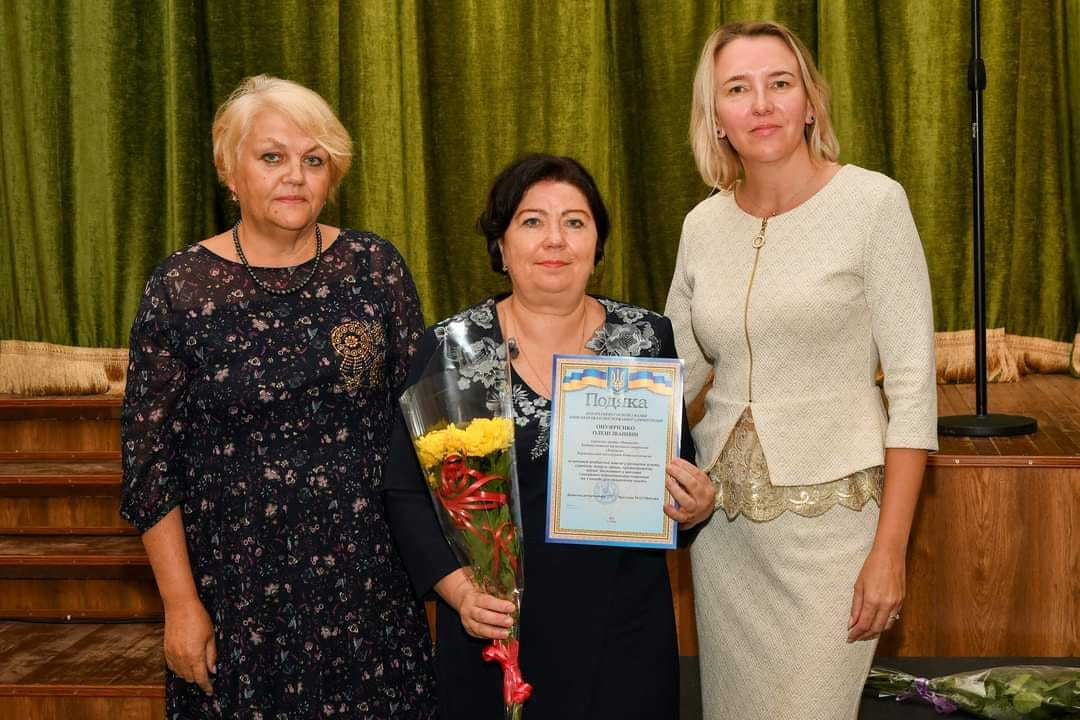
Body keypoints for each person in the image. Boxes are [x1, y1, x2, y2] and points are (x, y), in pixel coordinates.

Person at [120, 75, 437, 718]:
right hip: (235, 597)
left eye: (313, 160)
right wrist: (180, 605)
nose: (295, 175)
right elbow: (150, 468)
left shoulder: (375, 268)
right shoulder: (181, 289)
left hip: (369, 590)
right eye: (272, 157)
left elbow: (426, 428)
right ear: (228, 170)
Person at [665, 20, 938, 720]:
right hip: (725, 534)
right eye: (737, 89)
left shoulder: (874, 204)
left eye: (779, 83)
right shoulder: (701, 226)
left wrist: (891, 552)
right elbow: (671, 377)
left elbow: (914, 391)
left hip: (837, 529)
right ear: (715, 116)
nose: (761, 104)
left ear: (810, 102)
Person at [384, 154, 715, 719]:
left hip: (623, 631)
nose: (555, 239)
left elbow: (673, 487)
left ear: (597, 243)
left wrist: (695, 505)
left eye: (575, 222)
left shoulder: (645, 338)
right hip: (496, 629)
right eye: (532, 221)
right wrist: (461, 593)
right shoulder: (452, 346)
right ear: (502, 245)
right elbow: (405, 493)